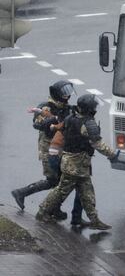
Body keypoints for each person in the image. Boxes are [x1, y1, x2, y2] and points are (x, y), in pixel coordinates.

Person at [36, 94, 118, 230]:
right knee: (61, 191)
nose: (96, 108)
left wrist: (52, 127)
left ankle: (94, 220)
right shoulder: (87, 123)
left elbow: (60, 127)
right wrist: (113, 155)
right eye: (94, 106)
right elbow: (98, 144)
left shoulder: (71, 117)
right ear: (90, 109)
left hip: (74, 164)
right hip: (75, 165)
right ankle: (42, 212)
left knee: (87, 192)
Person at [11, 80, 80, 221]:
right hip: (49, 149)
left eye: (68, 94)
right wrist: (53, 119)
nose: (67, 97)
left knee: (61, 181)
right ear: (56, 94)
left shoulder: (67, 108)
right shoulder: (45, 107)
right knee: (53, 180)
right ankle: (22, 193)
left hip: (62, 148)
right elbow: (38, 124)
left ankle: (54, 208)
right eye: (64, 94)